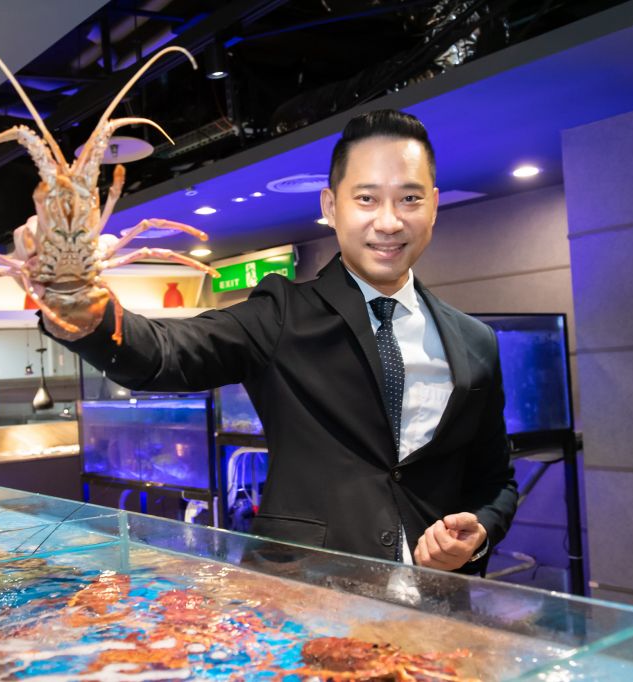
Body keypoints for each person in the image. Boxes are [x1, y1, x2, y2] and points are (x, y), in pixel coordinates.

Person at [44, 109, 518, 574]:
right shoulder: (281, 313)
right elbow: (166, 353)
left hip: (437, 601)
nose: (389, 222)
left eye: (409, 198)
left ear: (433, 204)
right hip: (307, 594)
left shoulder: (474, 340)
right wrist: (77, 308)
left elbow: (495, 481)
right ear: (330, 206)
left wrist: (478, 533)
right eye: (367, 199)